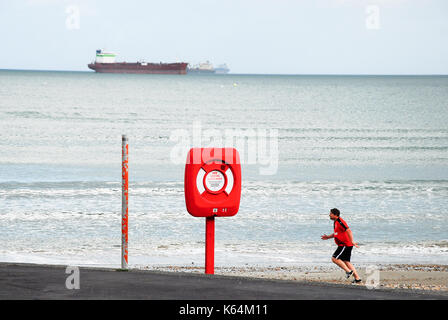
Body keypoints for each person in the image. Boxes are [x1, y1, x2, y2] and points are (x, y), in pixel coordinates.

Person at [321, 208, 362, 283]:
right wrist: (328, 237)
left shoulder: (340, 222)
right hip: (345, 244)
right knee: (346, 261)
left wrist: (352, 241)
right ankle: (357, 278)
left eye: (330, 213)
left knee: (334, 259)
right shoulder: (336, 222)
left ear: (335, 215)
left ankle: (348, 271)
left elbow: (348, 230)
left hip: (344, 244)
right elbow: (336, 233)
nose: (329, 215)